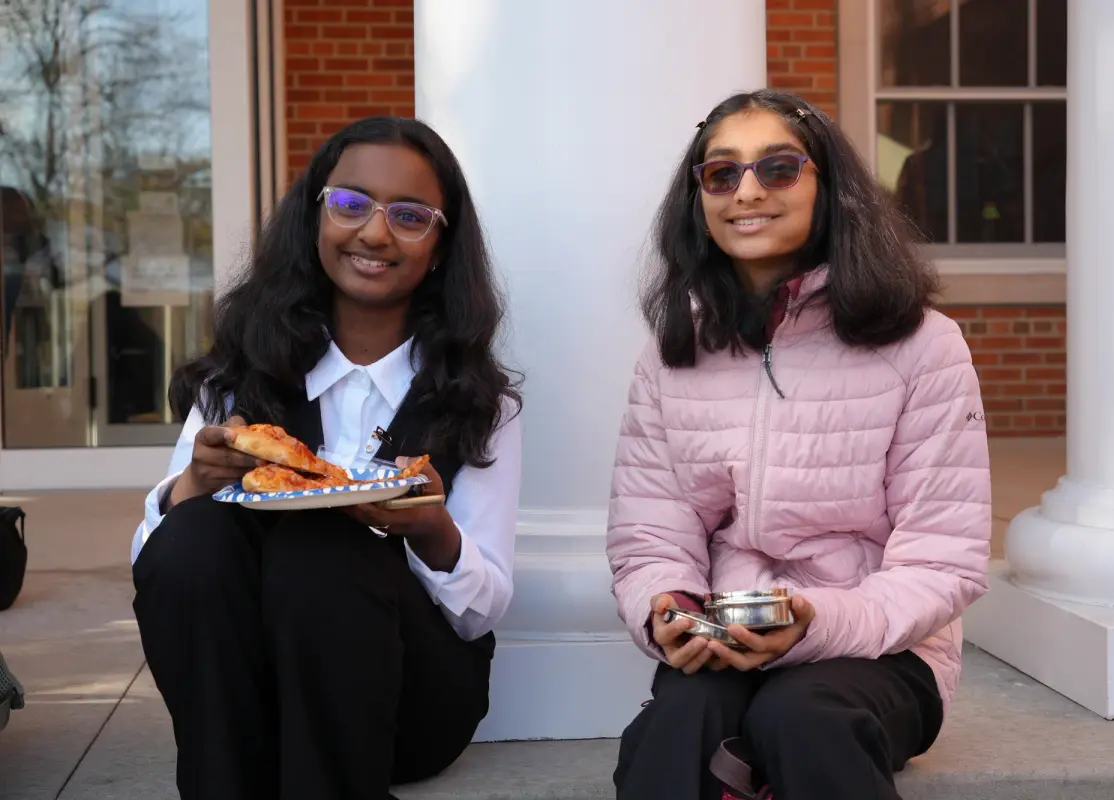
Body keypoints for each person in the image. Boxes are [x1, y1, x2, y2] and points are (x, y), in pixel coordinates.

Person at [606, 89, 991, 800]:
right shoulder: (672, 353)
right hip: (727, 640)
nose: (745, 191)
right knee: (680, 720)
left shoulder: (924, 345)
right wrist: (665, 608)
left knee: (801, 715)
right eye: (720, 174)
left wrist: (816, 622)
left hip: (881, 648)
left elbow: (945, 559)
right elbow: (649, 536)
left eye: (778, 169)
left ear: (830, 186)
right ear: (699, 199)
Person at [130, 116, 523, 800]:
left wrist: (431, 529)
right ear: (314, 218)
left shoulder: (476, 402)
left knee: (322, 547)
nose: (374, 233)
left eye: (409, 215)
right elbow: (159, 566)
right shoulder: (240, 376)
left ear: (441, 243)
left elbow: (479, 614)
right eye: (350, 204)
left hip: (408, 701)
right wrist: (194, 480)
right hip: (252, 701)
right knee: (191, 534)